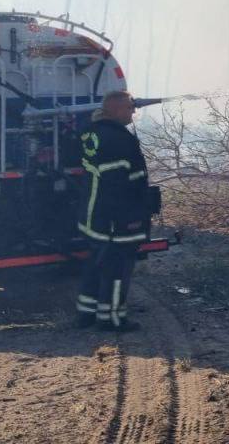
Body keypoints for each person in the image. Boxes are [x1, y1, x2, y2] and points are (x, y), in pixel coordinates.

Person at [75, 90, 151, 332]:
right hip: (116, 216)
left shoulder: (91, 132)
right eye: (130, 107)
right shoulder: (121, 140)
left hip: (92, 215)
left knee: (96, 263)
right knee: (118, 267)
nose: (134, 111)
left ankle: (86, 313)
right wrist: (132, 217)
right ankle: (112, 319)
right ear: (116, 110)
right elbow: (123, 184)